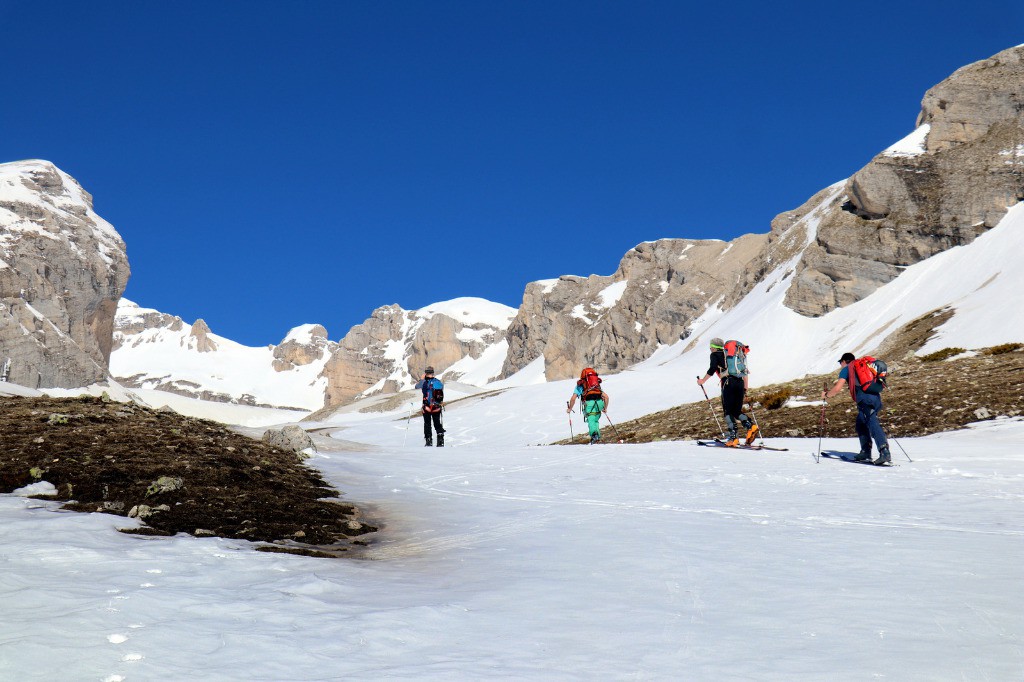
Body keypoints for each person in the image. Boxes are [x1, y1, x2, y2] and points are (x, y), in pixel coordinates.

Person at [823, 352, 890, 464]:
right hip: (876, 399)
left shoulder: (847, 369)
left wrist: (826, 395)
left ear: (844, 361)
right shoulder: (863, 365)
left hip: (865, 400)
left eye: (840, 362)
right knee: (861, 423)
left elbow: (837, 388)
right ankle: (865, 451)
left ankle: (884, 452)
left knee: (872, 423)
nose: (840, 364)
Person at [696, 337, 758, 446]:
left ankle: (734, 438)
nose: (710, 348)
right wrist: (745, 387)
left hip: (728, 384)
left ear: (714, 347)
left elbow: (712, 368)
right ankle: (751, 426)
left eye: (711, 346)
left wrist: (702, 381)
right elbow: (744, 370)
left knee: (728, 411)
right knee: (737, 411)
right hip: (740, 383)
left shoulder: (715, 355)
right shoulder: (733, 355)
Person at [566, 368, 609, 444]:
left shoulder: (580, 385)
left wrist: (570, 408)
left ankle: (594, 436)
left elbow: (573, 399)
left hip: (589, 404)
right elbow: (606, 397)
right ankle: (597, 438)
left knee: (591, 420)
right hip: (599, 403)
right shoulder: (596, 385)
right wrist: (605, 408)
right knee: (595, 420)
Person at [415, 366, 445, 447]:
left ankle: (429, 441)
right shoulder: (438, 382)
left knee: (427, 424)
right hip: (437, 406)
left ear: (426, 373)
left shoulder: (424, 382)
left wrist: (421, 379)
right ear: (433, 373)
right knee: (437, 423)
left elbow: (416, 387)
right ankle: (440, 440)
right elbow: (442, 389)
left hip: (427, 406)